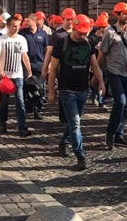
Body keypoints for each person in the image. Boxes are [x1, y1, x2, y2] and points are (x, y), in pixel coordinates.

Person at [48, 14, 105, 170]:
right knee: (75, 123)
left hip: (83, 89)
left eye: (85, 33)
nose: (83, 35)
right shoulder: (62, 43)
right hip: (67, 89)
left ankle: (63, 142)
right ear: (73, 28)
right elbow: (52, 70)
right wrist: (51, 91)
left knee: (76, 120)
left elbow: (95, 66)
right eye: (80, 33)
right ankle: (80, 155)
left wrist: (101, 83)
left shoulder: (88, 44)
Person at [98, 2, 127, 149]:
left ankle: (119, 135)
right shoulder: (109, 32)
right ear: (117, 15)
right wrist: (97, 74)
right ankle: (110, 134)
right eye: (123, 13)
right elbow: (102, 53)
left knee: (126, 105)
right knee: (120, 102)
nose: (126, 15)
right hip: (114, 71)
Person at [0, 16, 33, 137]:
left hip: (18, 74)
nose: (16, 28)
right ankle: (3, 123)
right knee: (4, 102)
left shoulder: (21, 39)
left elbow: (24, 55)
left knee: (20, 101)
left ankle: (22, 127)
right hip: (5, 76)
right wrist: (0, 72)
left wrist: (29, 70)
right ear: (8, 26)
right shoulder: (1, 39)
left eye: (18, 26)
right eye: (14, 26)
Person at [19, 14, 48, 120]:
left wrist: (47, 63)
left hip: (39, 65)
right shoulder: (22, 33)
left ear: (34, 21)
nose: (26, 23)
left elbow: (46, 50)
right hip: (26, 65)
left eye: (28, 21)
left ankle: (38, 110)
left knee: (39, 89)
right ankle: (28, 107)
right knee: (27, 87)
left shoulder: (43, 34)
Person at [88, 13, 109, 110]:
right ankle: (94, 95)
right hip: (94, 64)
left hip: (105, 64)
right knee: (94, 82)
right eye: (104, 28)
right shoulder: (92, 39)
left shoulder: (106, 38)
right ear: (100, 28)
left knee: (103, 83)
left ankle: (101, 101)